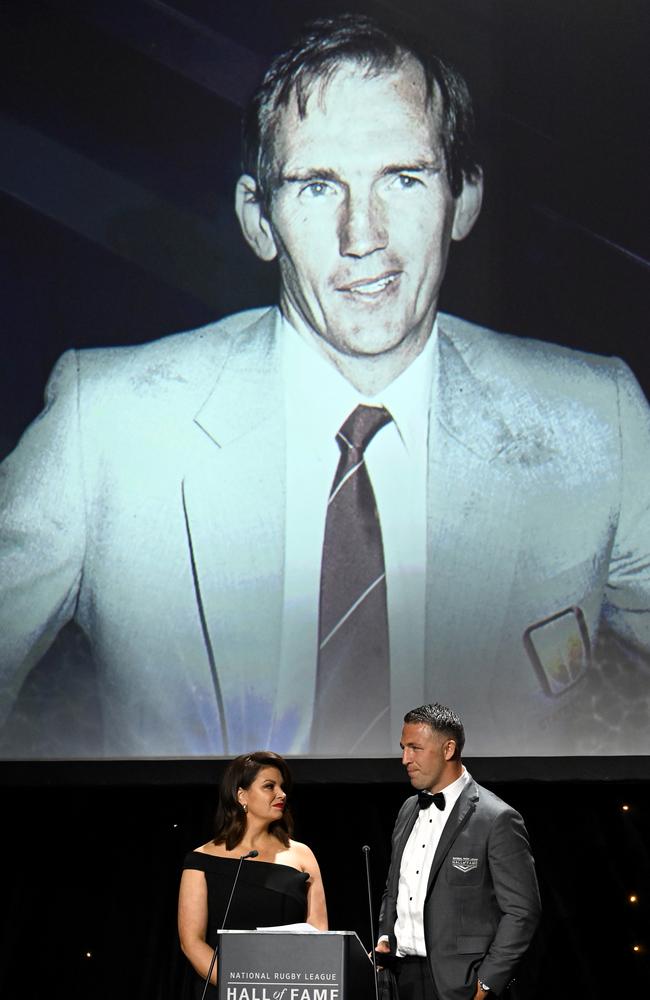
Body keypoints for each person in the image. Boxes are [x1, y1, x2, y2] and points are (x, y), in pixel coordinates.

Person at [1, 13, 650, 758]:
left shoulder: (600, 424)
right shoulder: (105, 426)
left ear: (464, 199)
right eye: (316, 187)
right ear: (258, 220)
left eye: (403, 180)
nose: (362, 235)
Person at [376, 703, 541, 1000]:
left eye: (415, 748)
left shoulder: (496, 818)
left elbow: (522, 911)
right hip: (403, 980)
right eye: (403, 748)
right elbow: (393, 888)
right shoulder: (407, 810)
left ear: (448, 749)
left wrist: (488, 981)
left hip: (460, 983)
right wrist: (386, 933)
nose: (404, 759)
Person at [178, 750, 327, 997]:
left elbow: (319, 933)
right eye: (269, 786)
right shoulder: (200, 860)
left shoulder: (302, 855)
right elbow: (192, 942)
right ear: (241, 795)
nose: (282, 794)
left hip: (288, 992)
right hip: (225, 991)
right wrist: (244, 987)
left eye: (282, 786)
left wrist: (281, 989)